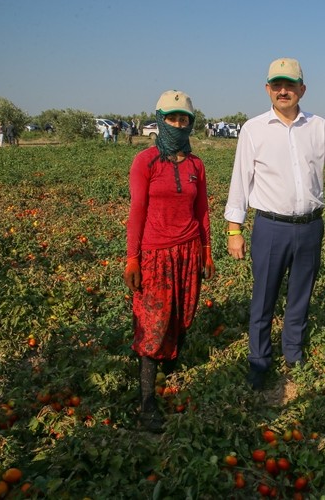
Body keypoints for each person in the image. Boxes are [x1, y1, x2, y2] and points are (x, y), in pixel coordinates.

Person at [224, 57, 325, 391]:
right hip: (270, 227)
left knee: (300, 295)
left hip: (310, 226)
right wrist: (234, 229)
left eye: (290, 85)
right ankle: (259, 361)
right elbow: (240, 180)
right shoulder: (253, 129)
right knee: (263, 297)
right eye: (277, 85)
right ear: (267, 89)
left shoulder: (318, 127)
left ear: (302, 89)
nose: (283, 91)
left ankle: (293, 354)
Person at [124, 90, 215, 431]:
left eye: (184, 119)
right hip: (155, 254)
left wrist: (207, 250)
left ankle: (173, 369)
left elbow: (202, 210)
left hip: (188, 249)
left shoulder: (196, 165)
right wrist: (133, 258)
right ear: (160, 120)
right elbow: (137, 212)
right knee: (153, 322)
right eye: (172, 118)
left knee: (182, 313)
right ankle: (147, 402)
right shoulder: (145, 161)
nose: (179, 124)